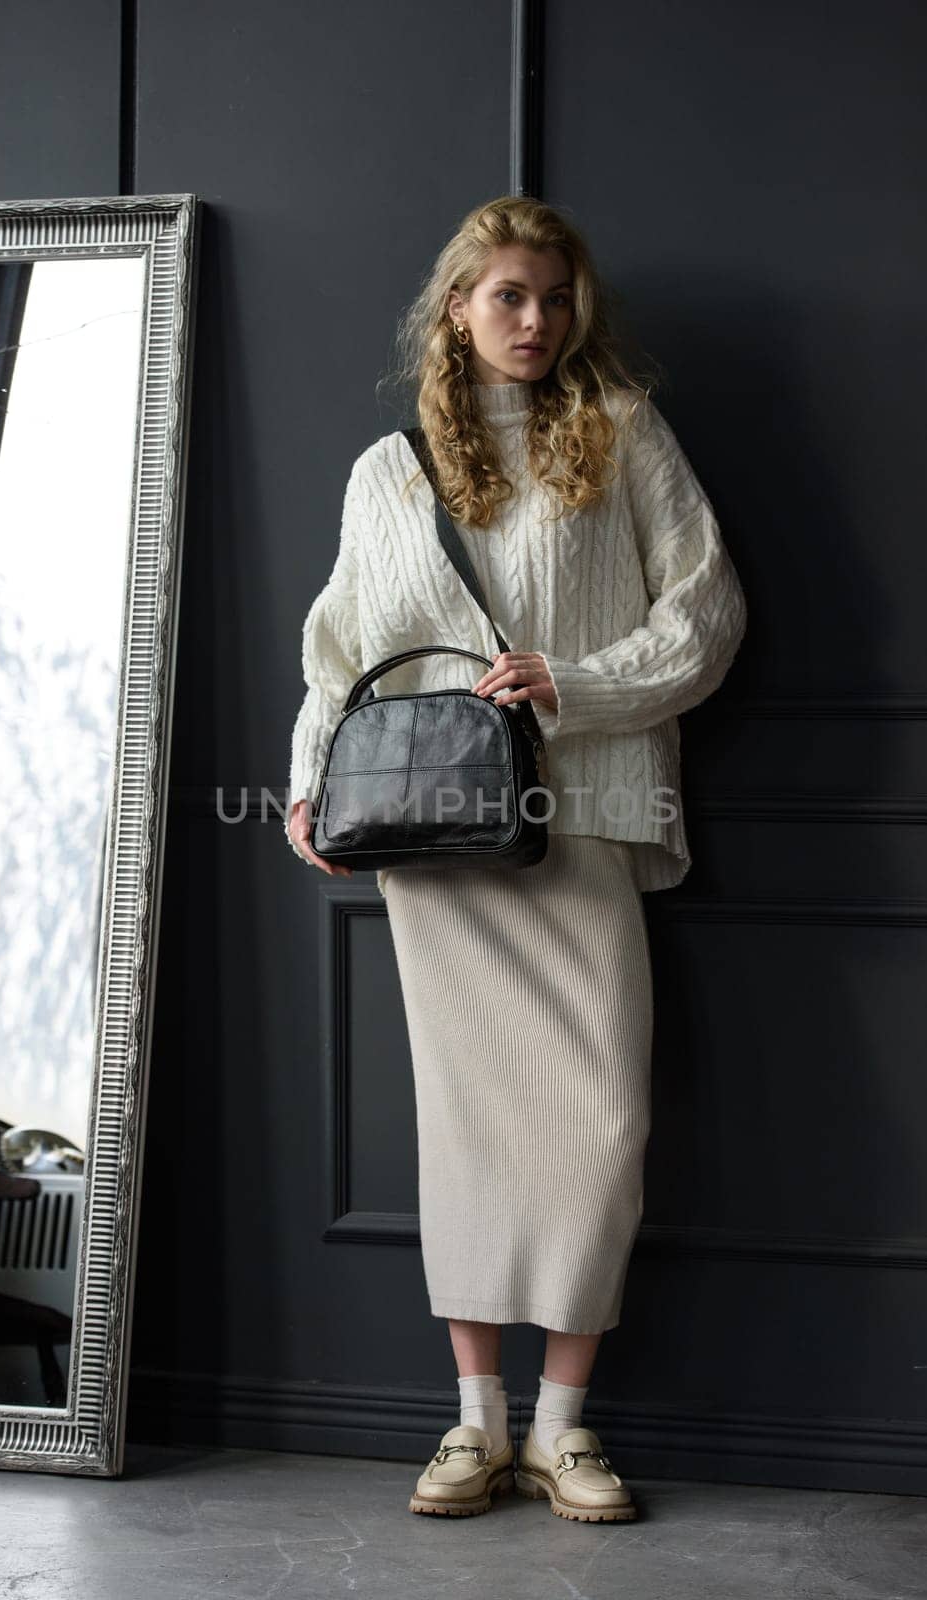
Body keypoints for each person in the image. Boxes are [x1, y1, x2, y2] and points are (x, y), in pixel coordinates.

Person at [286, 194, 746, 1523]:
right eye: (508, 296)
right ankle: (477, 1426)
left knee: (603, 1123)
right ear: (457, 307)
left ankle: (567, 1428)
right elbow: (338, 650)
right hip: (435, 841)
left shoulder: (620, 438)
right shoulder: (388, 471)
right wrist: (309, 784)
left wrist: (577, 684)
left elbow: (708, 612)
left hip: (583, 817)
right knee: (472, 1132)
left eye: (554, 297)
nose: (536, 321)